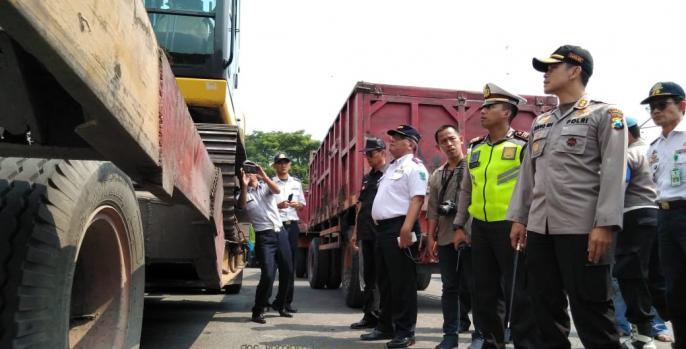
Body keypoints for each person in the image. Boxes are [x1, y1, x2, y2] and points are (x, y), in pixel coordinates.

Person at [507, 45, 626, 349]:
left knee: (593, 314)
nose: (545, 74)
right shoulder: (541, 122)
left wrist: (605, 225)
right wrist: (520, 218)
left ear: (575, 70)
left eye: (551, 67)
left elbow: (614, 173)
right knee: (544, 311)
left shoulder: (605, 115)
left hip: (582, 229)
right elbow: (527, 176)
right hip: (540, 229)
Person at [452, 83, 538, 349]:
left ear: (507, 113)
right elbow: (466, 189)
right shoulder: (476, 148)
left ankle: (525, 343)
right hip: (481, 228)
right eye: (483, 106)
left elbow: (532, 186)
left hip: (511, 226)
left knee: (518, 292)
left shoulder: (522, 145)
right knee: (485, 292)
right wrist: (459, 226)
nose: (483, 111)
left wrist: (522, 220)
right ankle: (491, 343)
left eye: (490, 107)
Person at [361, 124, 428, 348]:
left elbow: (417, 199)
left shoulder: (414, 167)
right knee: (386, 282)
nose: (391, 141)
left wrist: (407, 228)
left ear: (411, 144)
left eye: (397, 138)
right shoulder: (391, 168)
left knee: (403, 283)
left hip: (401, 227)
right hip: (382, 230)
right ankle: (385, 326)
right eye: (391, 137)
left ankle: (406, 332)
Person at [614, 115, 668, 348]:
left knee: (631, 276)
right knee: (657, 277)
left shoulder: (628, 154)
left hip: (633, 216)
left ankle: (643, 336)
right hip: (659, 215)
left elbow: (617, 187)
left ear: (628, 133)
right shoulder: (654, 150)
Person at [643, 81, 686, 348]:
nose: (655, 111)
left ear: (682, 106)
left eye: (662, 105)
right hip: (665, 217)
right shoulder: (654, 146)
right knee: (675, 288)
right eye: (651, 106)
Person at [425, 124, 472, 349]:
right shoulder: (437, 174)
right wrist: (430, 237)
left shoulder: (475, 165)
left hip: (473, 237)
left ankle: (482, 334)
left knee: (479, 287)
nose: (449, 144)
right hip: (445, 237)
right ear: (439, 146)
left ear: (461, 139)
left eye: (452, 139)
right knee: (449, 287)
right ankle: (450, 335)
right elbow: (433, 208)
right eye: (444, 141)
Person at [237, 161, 294, 324]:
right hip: (264, 237)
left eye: (251, 170)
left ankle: (280, 305)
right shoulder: (243, 193)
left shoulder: (266, 186)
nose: (249, 173)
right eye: (245, 171)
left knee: (287, 271)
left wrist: (263, 174)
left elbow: (277, 190)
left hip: (280, 232)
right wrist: (244, 185)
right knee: (268, 274)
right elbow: (241, 206)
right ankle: (258, 310)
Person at [349, 137, 387, 330]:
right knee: (368, 276)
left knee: (383, 276)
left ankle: (384, 317)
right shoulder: (368, 177)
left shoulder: (389, 174)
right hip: (366, 232)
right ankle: (369, 315)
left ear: (382, 152)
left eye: (371, 154)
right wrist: (356, 231)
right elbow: (360, 205)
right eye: (366, 155)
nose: (368, 158)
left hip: (382, 232)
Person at [272, 153, 306, 314]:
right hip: (275, 225)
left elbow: (302, 205)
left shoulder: (296, 183)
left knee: (289, 265)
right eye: (279, 163)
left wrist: (296, 204)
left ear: (289, 165)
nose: (283, 165)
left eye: (285, 162)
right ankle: (265, 301)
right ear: (275, 166)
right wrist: (278, 206)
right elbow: (266, 205)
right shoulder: (270, 183)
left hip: (292, 226)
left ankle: (286, 302)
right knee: (271, 266)